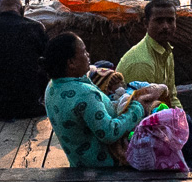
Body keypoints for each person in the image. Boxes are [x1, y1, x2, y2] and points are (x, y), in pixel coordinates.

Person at [116, 0, 192, 181]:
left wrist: (187, 134)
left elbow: (173, 97)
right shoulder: (142, 62)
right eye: (159, 21)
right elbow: (143, 118)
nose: (165, 26)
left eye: (170, 20)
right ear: (146, 24)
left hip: (165, 126)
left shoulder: (167, 52)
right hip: (140, 137)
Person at [46, 31, 169, 169]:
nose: (88, 55)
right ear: (71, 63)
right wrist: (137, 108)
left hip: (79, 162)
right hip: (105, 166)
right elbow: (110, 133)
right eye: (84, 51)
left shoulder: (52, 87)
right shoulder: (85, 94)